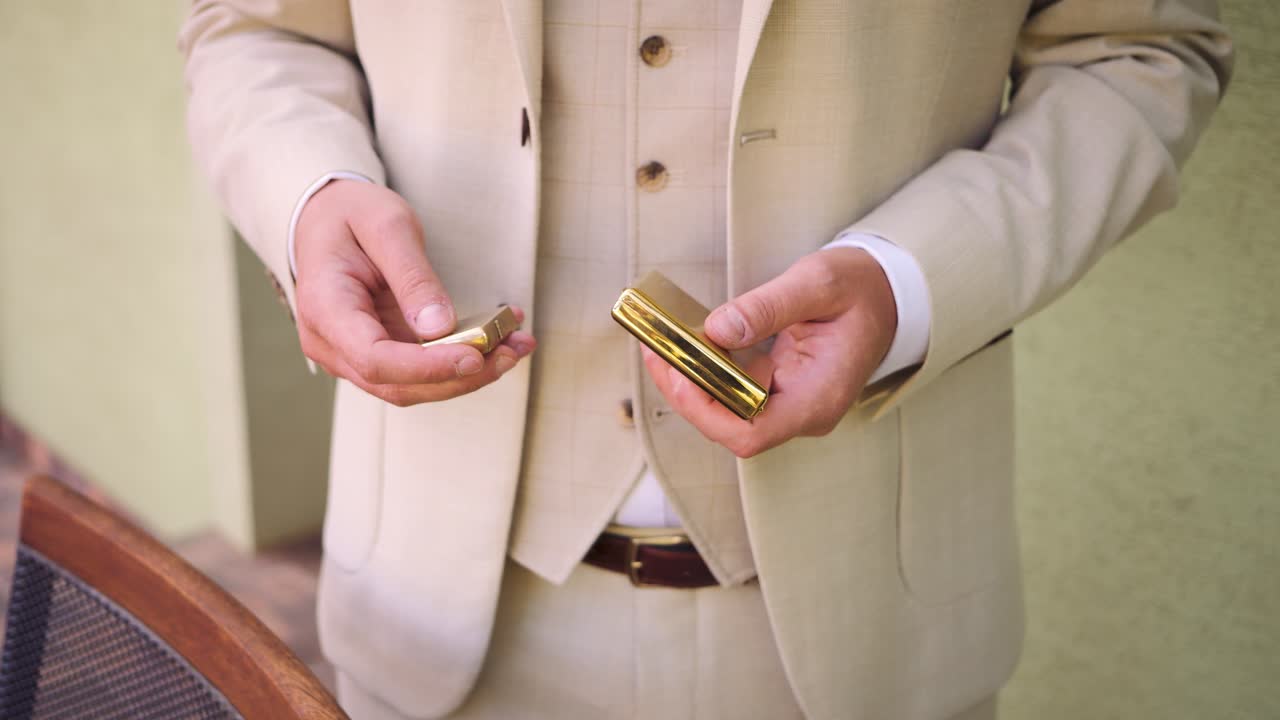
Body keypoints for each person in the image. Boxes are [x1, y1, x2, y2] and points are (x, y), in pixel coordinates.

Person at [179, 1, 1232, 718]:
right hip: (436, 601)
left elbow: (1135, 47)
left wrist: (913, 283)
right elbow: (259, 26)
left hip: (865, 620)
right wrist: (304, 196)